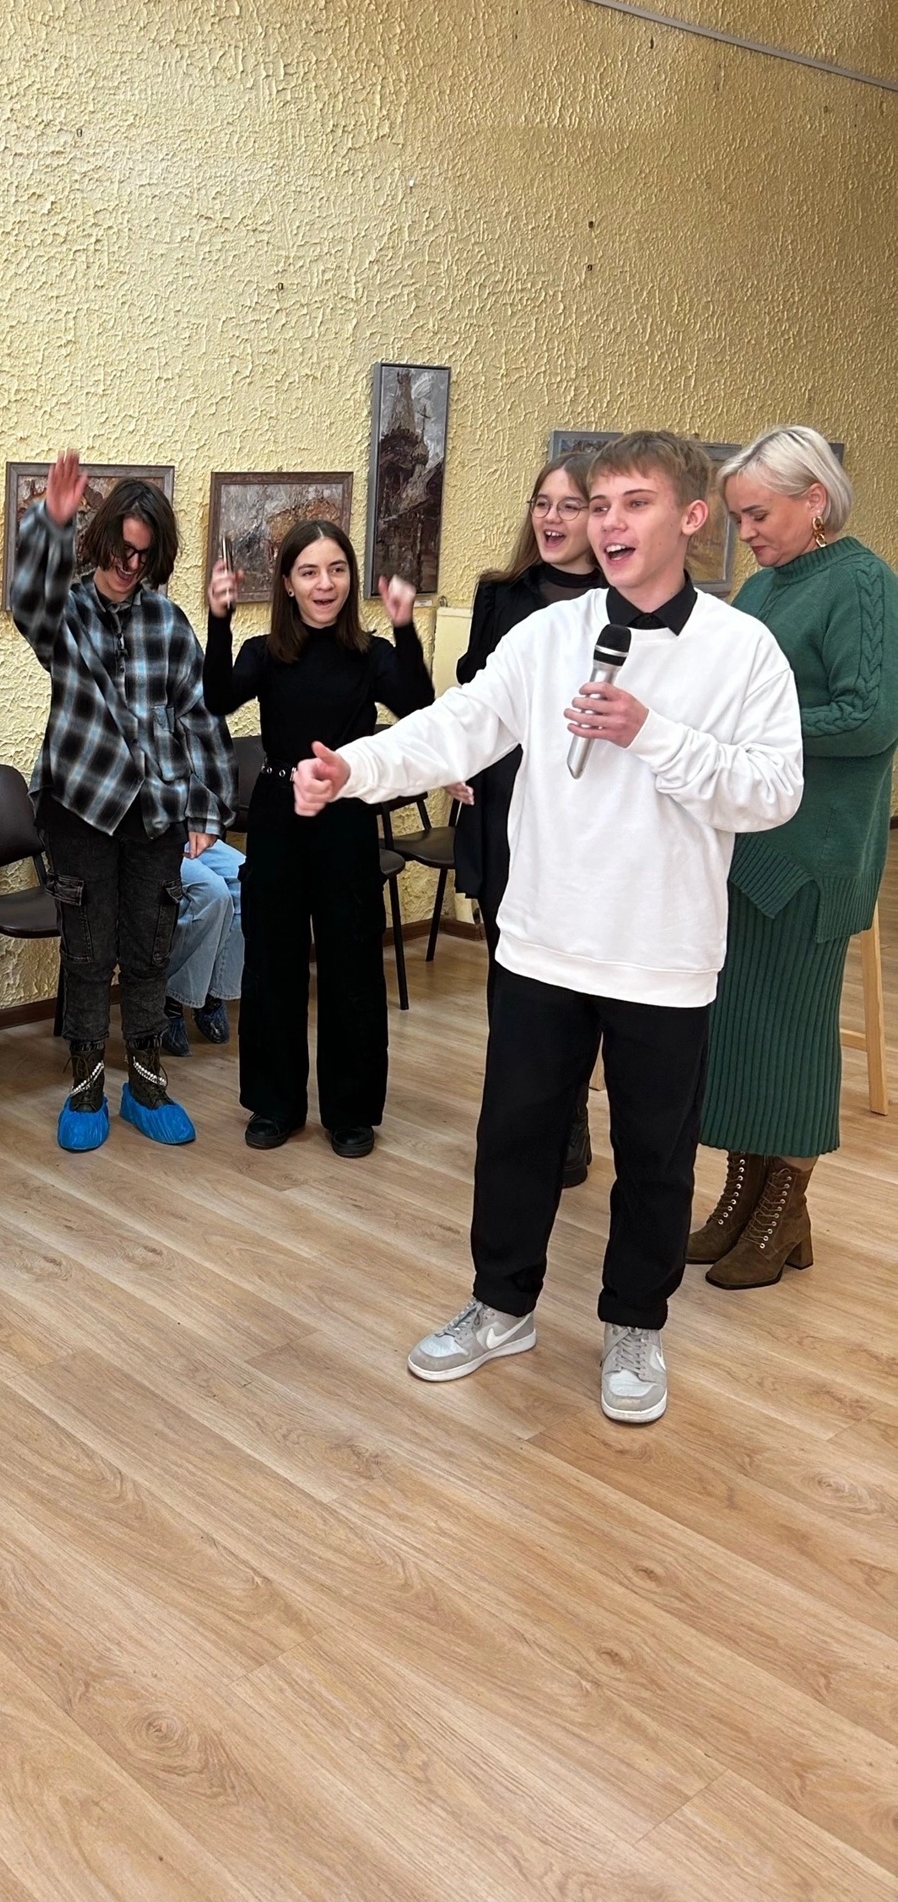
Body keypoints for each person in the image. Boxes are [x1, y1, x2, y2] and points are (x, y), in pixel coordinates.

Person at [295, 432, 802, 1425]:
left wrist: (652, 734)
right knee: (516, 1138)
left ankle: (634, 1325)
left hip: (662, 954)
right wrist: (356, 769)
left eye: (633, 503)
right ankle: (501, 1305)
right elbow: (459, 727)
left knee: (654, 1156)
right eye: (598, 504)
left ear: (692, 519)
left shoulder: (743, 651)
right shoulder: (548, 635)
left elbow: (772, 791)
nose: (608, 523)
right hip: (542, 940)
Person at [691, 428, 898, 1287]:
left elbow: (870, 717)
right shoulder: (761, 587)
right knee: (741, 1031)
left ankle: (785, 1207)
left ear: (815, 499)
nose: (745, 533)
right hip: (749, 843)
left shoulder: (864, 583)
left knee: (794, 1033)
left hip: (816, 853)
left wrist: (755, 733)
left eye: (757, 514)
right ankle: (745, 1194)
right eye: (737, 518)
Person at [11, 452, 233, 1150]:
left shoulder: (168, 623)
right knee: (87, 953)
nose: (129, 566)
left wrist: (207, 809)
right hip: (79, 806)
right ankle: (85, 1089)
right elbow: (27, 600)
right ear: (101, 539)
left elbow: (200, 717)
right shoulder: (67, 612)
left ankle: (144, 1084)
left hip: (156, 814)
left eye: (143, 556)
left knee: (147, 948)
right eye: (120, 550)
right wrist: (51, 522)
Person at [204, 519, 433, 1155]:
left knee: (350, 960)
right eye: (309, 572)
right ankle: (274, 1104)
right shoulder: (264, 652)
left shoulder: (372, 654)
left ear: (351, 578)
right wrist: (219, 619)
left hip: (346, 813)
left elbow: (419, 706)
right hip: (279, 812)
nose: (324, 583)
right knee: (273, 960)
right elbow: (216, 697)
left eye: (336, 570)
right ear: (287, 583)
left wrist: (406, 627)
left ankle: (350, 1111)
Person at [453, 457, 602, 1185]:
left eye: (570, 506)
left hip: (577, 816)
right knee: (509, 974)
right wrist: (456, 758)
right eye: (543, 503)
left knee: (570, 976)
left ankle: (568, 1116)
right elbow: (475, 690)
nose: (551, 518)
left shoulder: (621, 603)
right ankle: (517, 1121)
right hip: (499, 803)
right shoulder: (499, 594)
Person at [159, 842, 244, 1056]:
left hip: (190, 832)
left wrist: (206, 829)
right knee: (212, 893)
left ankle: (211, 991)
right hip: (150, 838)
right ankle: (173, 997)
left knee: (249, 881)